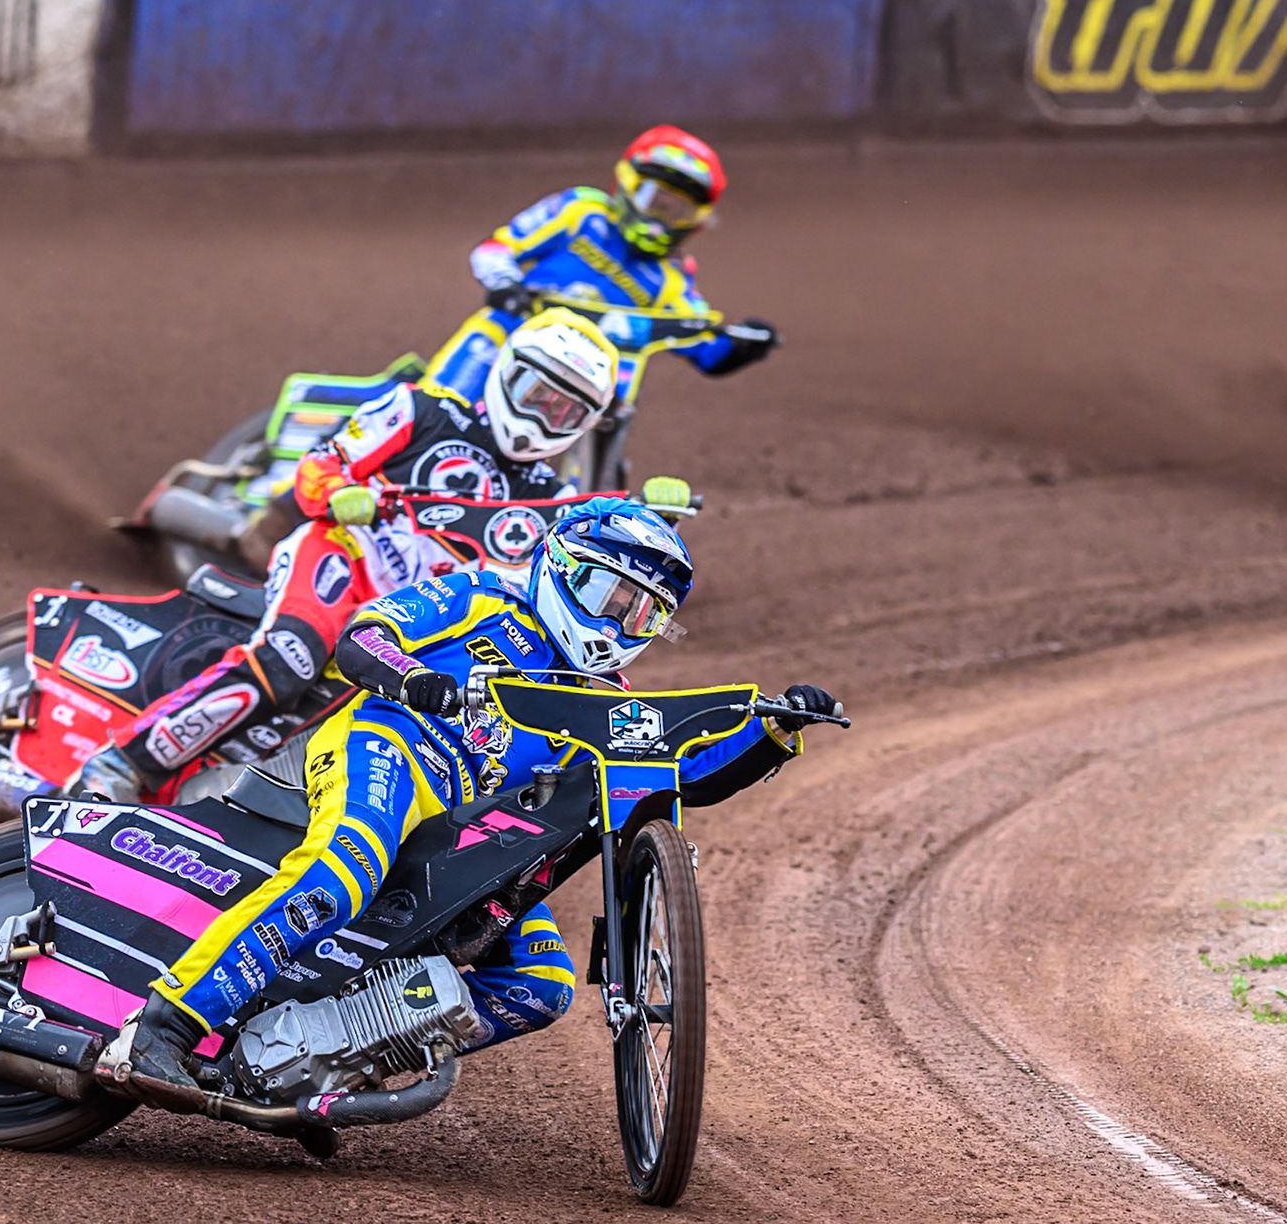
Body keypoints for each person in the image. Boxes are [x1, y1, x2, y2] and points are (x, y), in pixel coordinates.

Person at [121, 496, 841, 1110]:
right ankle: (167, 1025)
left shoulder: (605, 700)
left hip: (470, 834)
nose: (619, 623)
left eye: (642, 614)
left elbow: (683, 777)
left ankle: (317, 1063)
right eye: (608, 597)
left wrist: (772, 734)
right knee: (342, 872)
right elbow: (364, 639)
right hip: (391, 747)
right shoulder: (482, 598)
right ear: (562, 569)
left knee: (542, 985)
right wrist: (416, 681)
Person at [76, 309, 695, 803]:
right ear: (507, 373)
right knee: (288, 659)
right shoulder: (420, 409)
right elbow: (316, 470)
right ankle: (121, 762)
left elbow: (598, 543)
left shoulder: (557, 500)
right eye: (538, 393)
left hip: (409, 621)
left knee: (382, 719)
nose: (545, 415)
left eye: (566, 410)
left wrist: (649, 514)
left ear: (584, 426)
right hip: (344, 560)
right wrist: (341, 494)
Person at [426, 126, 780, 405]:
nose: (660, 218)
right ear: (627, 185)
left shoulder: (671, 281)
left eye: (677, 210)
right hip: (507, 337)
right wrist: (504, 282)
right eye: (654, 200)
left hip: (590, 382)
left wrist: (743, 345)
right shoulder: (581, 212)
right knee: (441, 409)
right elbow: (497, 248)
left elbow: (704, 347)